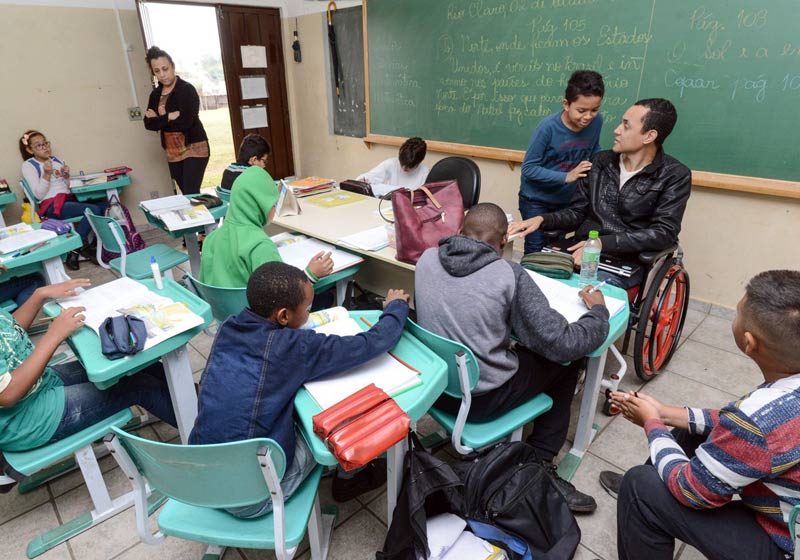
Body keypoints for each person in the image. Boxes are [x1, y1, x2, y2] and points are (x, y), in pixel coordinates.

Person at [414, 202, 610, 513]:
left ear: (459, 232)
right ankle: (541, 459)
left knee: (526, 347)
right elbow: (562, 343)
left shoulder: (425, 258)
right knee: (566, 361)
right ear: (504, 240)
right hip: (480, 402)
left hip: (434, 392)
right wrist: (598, 313)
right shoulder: (509, 274)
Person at [601, 270, 800, 560]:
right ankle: (653, 487)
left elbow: (691, 490)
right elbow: (742, 429)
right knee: (690, 431)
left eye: (737, 313)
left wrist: (652, 423)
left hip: (784, 543)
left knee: (640, 485)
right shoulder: (780, 400)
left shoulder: (758, 420)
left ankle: (645, 499)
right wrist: (667, 414)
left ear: (748, 342)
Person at [190, 261, 411, 515]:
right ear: (283, 316)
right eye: (307, 308)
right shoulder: (291, 347)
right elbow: (372, 343)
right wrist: (395, 308)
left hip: (205, 477)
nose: (310, 313)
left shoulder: (229, 326)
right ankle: (350, 479)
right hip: (251, 498)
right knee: (332, 422)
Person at [508, 98, 692, 289]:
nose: (617, 130)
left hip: (626, 261)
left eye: (626, 126)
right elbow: (577, 212)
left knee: (583, 295)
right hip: (579, 249)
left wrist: (601, 243)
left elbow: (663, 232)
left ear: (649, 136)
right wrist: (542, 219)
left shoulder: (674, 175)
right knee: (526, 280)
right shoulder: (599, 162)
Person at [0, 278, 177, 453]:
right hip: (25, 420)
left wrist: (39, 295)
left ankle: (197, 404)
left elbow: (7, 328)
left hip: (39, 383)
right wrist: (54, 335)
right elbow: (7, 394)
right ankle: (202, 436)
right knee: (142, 386)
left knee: (135, 365)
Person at [199, 165, 334, 289]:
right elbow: (282, 296)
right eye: (273, 204)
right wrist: (310, 275)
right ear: (259, 205)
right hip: (258, 314)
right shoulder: (260, 246)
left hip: (224, 313)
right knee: (325, 294)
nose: (275, 209)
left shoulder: (210, 240)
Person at [519, 70, 605, 254]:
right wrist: (567, 176)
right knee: (535, 250)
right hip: (536, 199)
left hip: (566, 201)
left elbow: (592, 149)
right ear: (566, 104)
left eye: (594, 110)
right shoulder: (547, 128)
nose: (588, 116)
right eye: (581, 110)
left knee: (555, 250)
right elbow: (528, 169)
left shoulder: (596, 122)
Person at [19, 130, 106, 271]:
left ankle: (93, 247)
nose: (45, 147)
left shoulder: (58, 160)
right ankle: (79, 247)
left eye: (45, 143)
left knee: (106, 206)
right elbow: (39, 196)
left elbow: (67, 188)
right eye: (39, 146)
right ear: (29, 150)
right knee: (92, 210)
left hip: (67, 201)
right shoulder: (29, 165)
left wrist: (66, 177)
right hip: (51, 206)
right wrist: (47, 174)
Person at [143, 46, 209, 196]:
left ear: (173, 67)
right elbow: (148, 124)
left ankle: (206, 218)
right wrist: (168, 116)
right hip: (172, 150)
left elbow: (186, 122)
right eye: (157, 71)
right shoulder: (155, 95)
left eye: (165, 69)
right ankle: (199, 218)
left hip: (194, 146)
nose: (162, 74)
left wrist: (159, 120)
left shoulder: (187, 90)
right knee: (186, 193)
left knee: (191, 192)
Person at [358, 137, 429, 197]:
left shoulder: (425, 173)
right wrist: (363, 180)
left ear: (419, 162)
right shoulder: (392, 163)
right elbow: (370, 176)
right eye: (402, 163)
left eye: (408, 167)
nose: (403, 168)